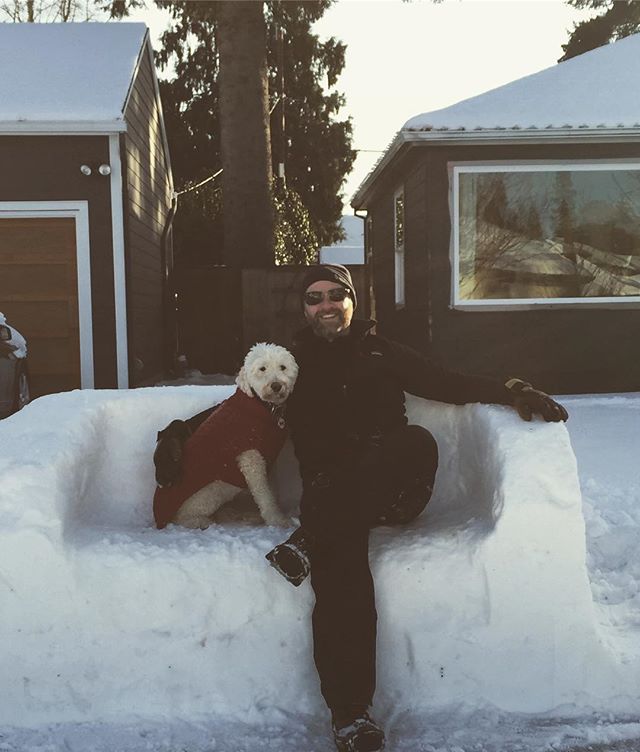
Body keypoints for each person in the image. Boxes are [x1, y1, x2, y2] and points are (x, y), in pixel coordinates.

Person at [153, 264, 568, 752]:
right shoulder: (294, 363)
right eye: (314, 298)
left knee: (414, 440)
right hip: (331, 497)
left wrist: (512, 389)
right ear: (304, 309)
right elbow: (237, 411)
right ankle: (351, 718)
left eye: (335, 294)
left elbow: (446, 382)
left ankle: (307, 540)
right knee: (341, 574)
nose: (326, 304)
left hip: (392, 486)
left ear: (352, 300)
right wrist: (176, 432)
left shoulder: (380, 350)